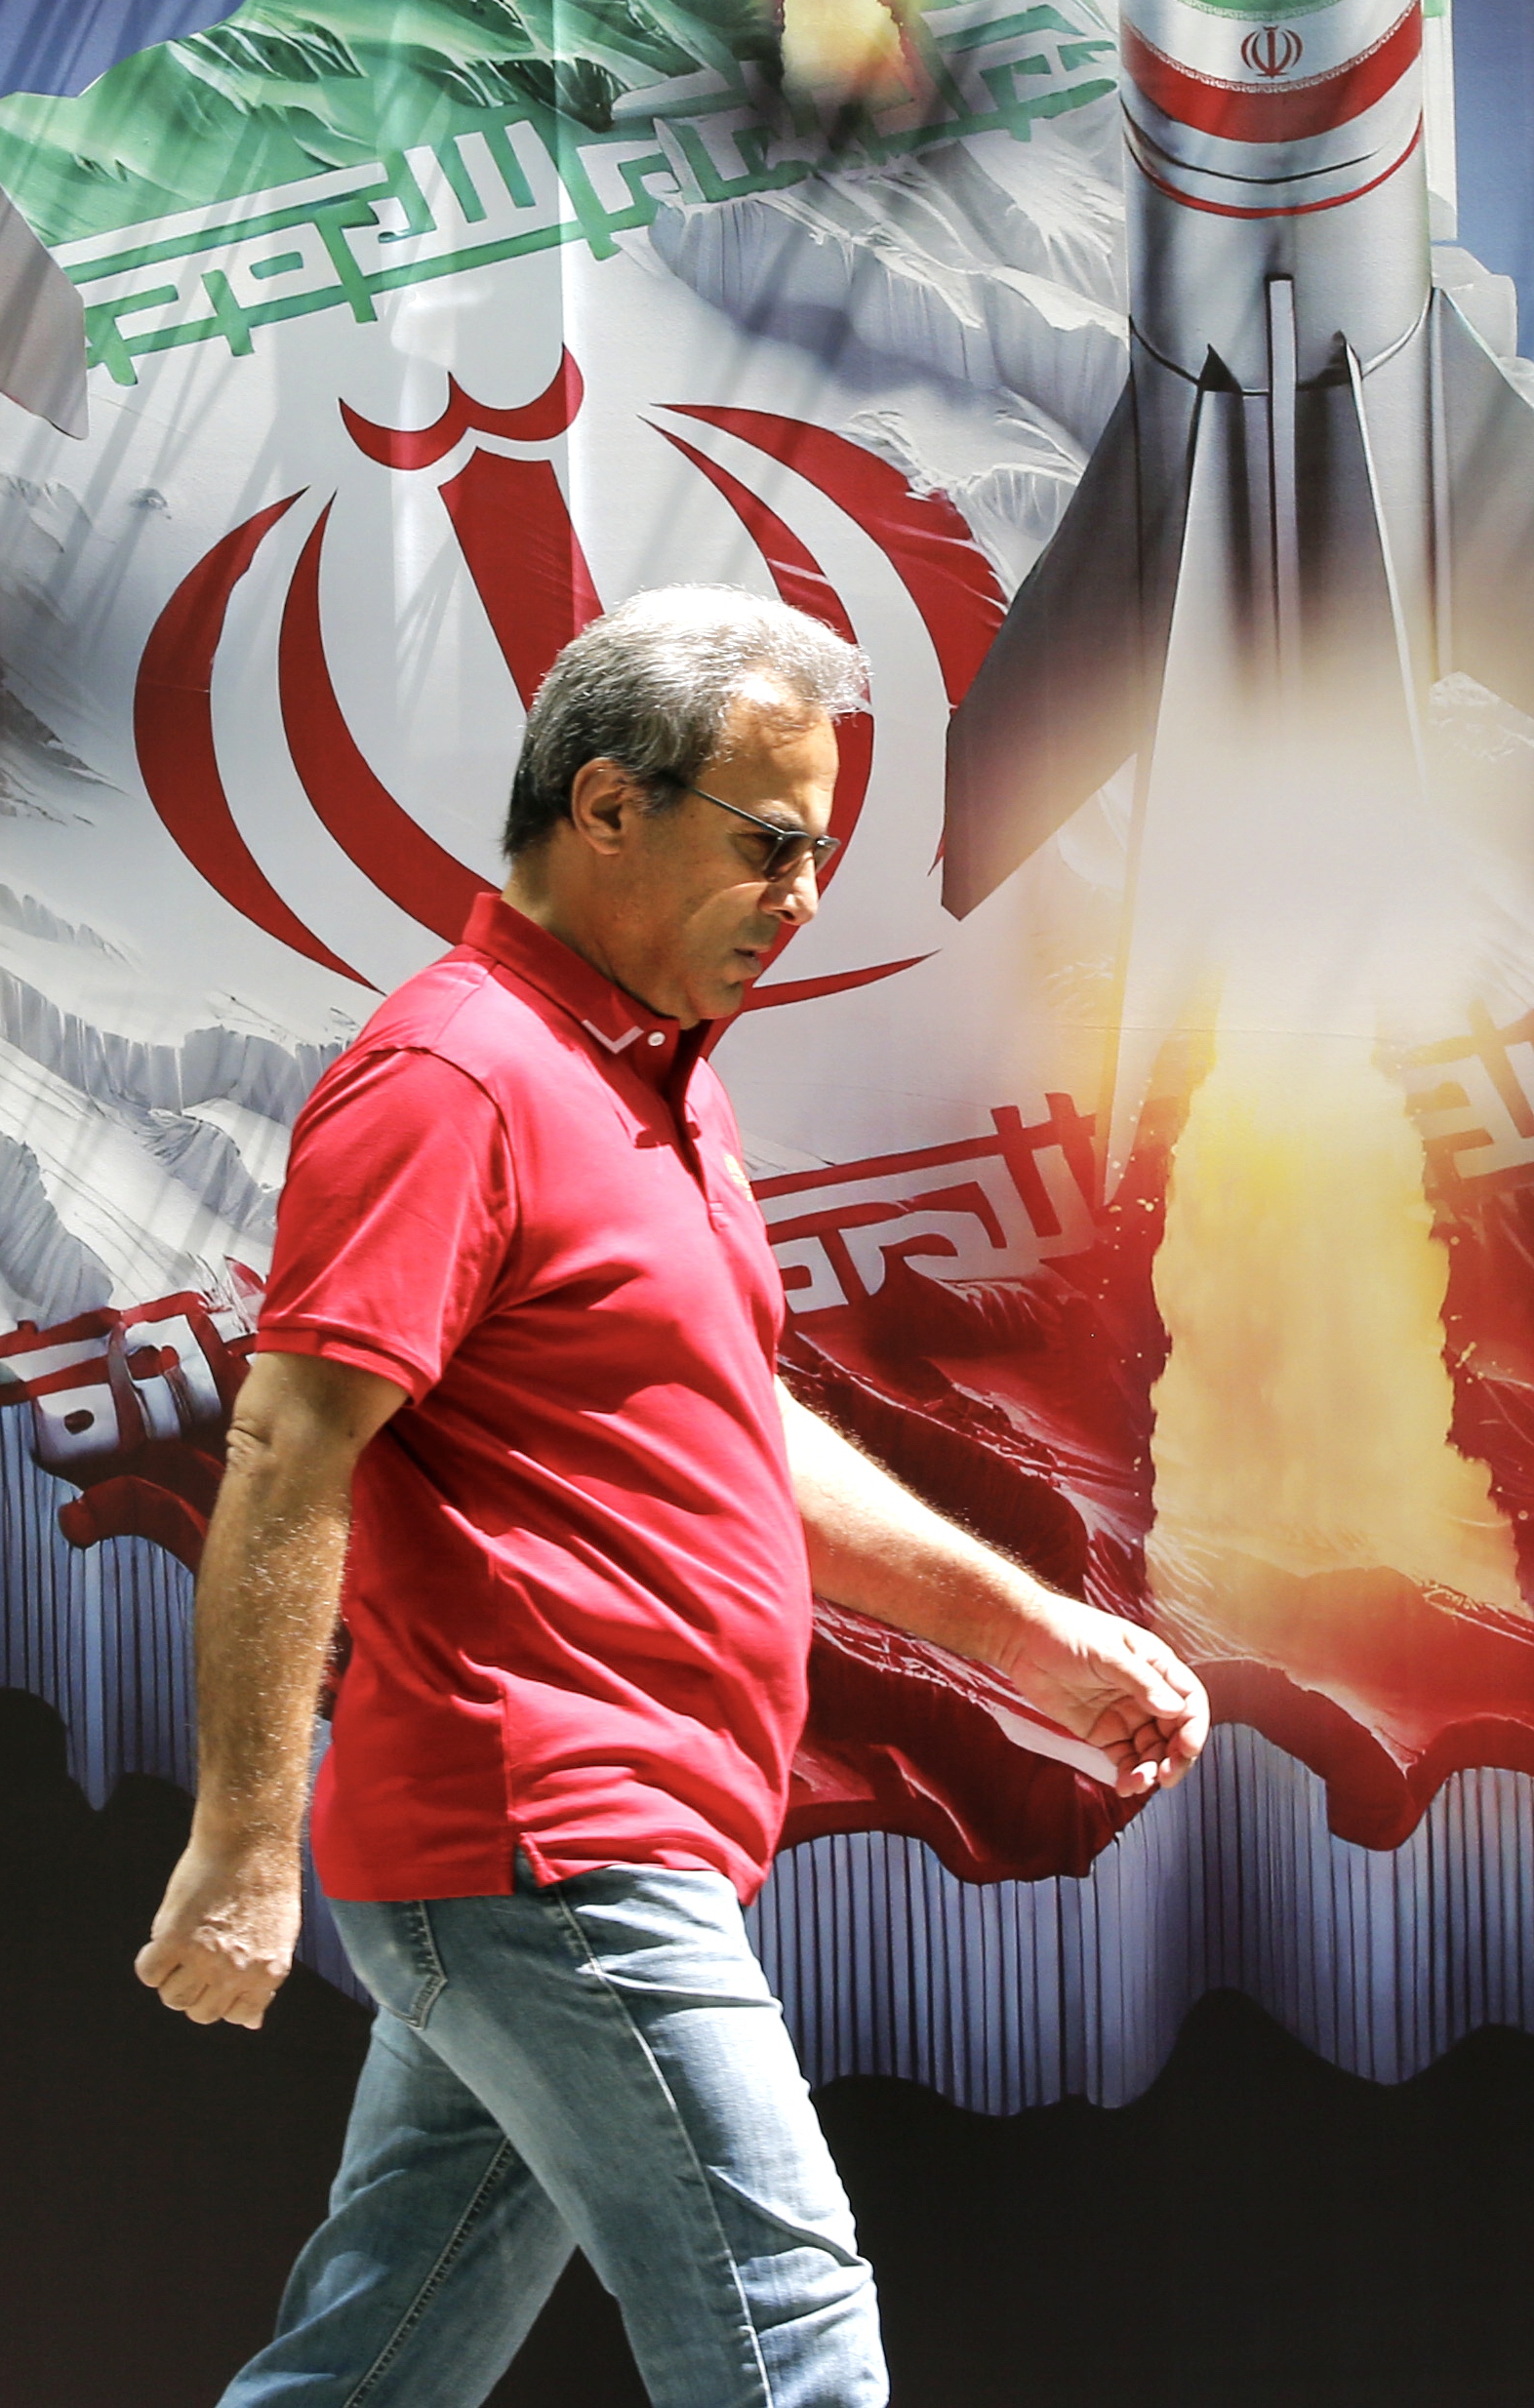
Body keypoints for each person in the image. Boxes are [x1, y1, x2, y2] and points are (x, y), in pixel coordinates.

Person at [137, 583, 1208, 2408]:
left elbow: (727, 1430)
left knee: (369, 2369)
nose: (801, 896)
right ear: (607, 804)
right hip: (548, 1835)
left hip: (578, 1845)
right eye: (772, 840)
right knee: (790, 2348)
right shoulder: (452, 1075)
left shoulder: (653, 1088)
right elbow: (285, 1444)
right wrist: (239, 1849)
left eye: (823, 851)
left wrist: (1025, 1634)